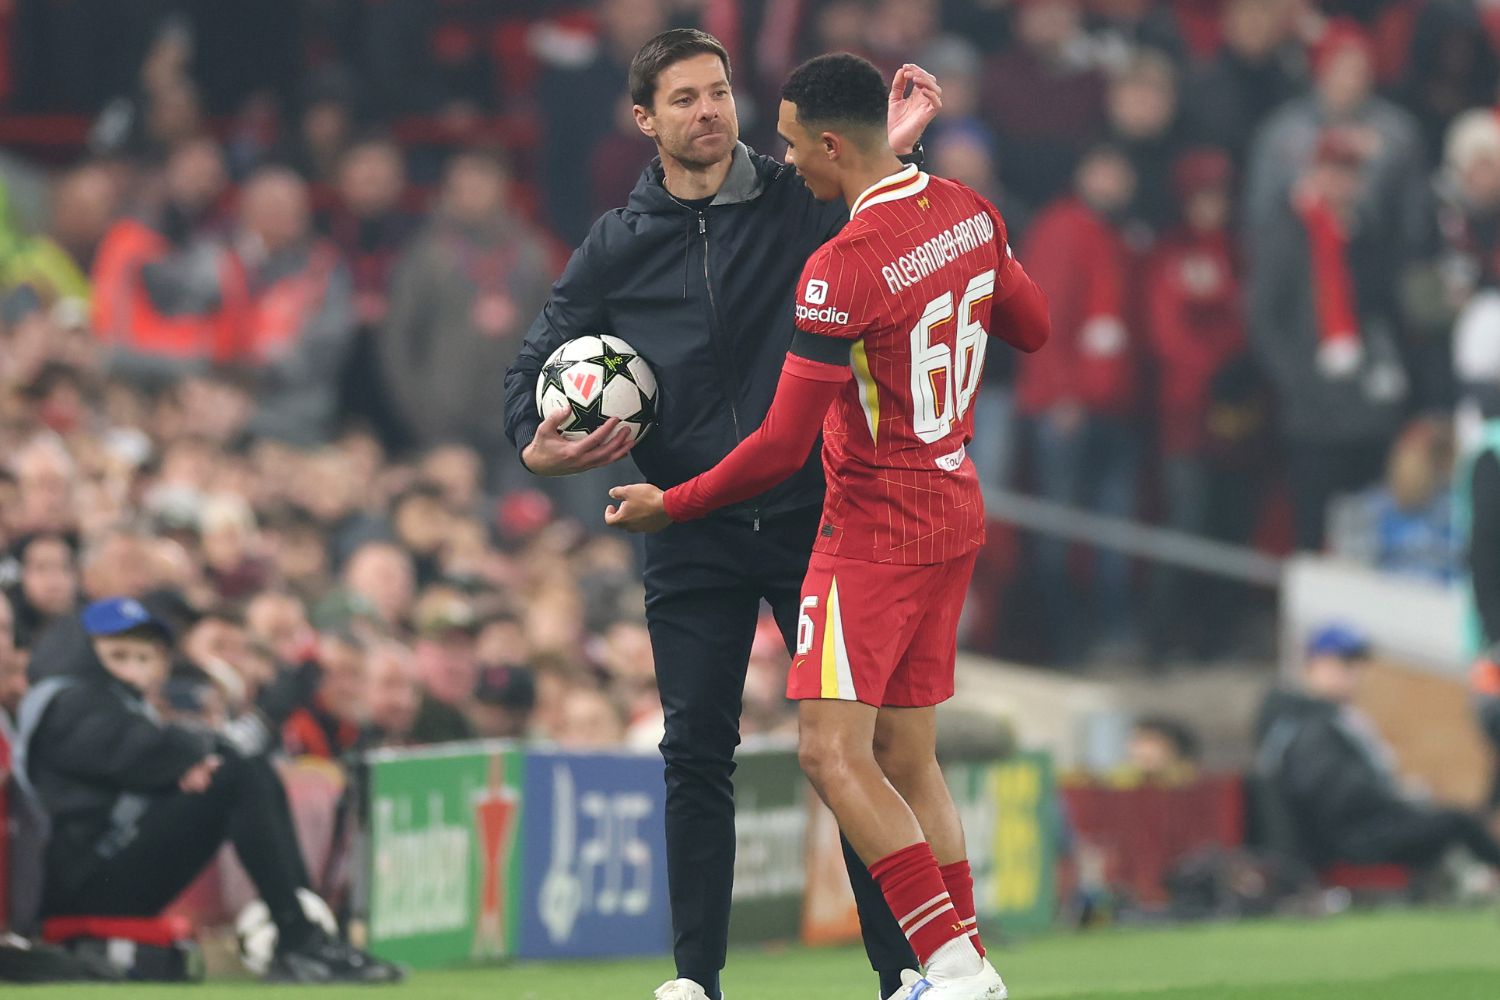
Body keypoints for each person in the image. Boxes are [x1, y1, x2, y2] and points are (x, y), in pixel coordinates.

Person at [504, 28, 941, 1000]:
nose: (708, 111)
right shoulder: (618, 244)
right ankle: (695, 981)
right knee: (695, 750)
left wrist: (900, 149)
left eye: (718, 92)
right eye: (685, 99)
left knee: (852, 756)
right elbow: (533, 359)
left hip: (812, 522)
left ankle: (905, 975)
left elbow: (896, 219)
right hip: (687, 529)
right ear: (644, 120)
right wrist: (531, 440)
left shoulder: (800, 202)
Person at [606, 53, 1048, 1000]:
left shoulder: (839, 266)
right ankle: (967, 967)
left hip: (874, 529)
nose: (788, 159)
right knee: (908, 758)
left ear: (832, 143)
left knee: (827, 753)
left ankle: (951, 964)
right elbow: (1034, 326)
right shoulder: (971, 211)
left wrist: (669, 502)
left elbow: (777, 449)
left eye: (797, 143)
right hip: (954, 505)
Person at [13, 597, 400, 983]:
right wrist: (194, 758)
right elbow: (140, 749)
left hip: (102, 866)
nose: (133, 672)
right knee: (235, 773)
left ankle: (307, 931)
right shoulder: (67, 701)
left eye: (144, 658)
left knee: (244, 770)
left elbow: (153, 751)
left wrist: (193, 760)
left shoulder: (111, 700)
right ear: (84, 652)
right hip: (75, 882)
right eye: (118, 656)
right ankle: (299, 938)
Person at [1254, 624, 1500, 875]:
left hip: (1358, 829)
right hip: (1347, 840)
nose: (1356, 673)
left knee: (1446, 820)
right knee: (1458, 821)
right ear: (1315, 665)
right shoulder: (1309, 726)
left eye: (1358, 664)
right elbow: (1340, 796)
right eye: (1345, 663)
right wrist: (1400, 801)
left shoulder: (1325, 719)